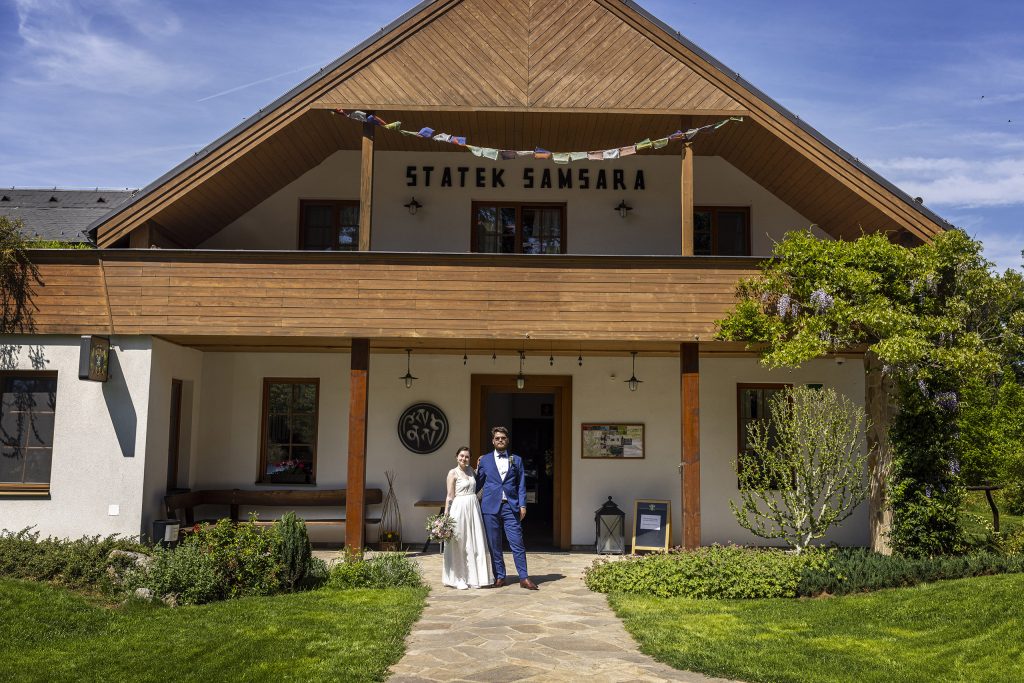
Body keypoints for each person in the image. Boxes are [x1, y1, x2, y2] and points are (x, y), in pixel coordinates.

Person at [476, 426, 538, 590]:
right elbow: (477, 483)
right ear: (493, 441)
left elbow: (521, 484)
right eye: (497, 438)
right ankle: (500, 576)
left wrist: (523, 504)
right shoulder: (485, 460)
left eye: (503, 438)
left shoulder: (516, 460)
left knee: (517, 542)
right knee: (494, 544)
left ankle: (524, 578)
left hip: (511, 507)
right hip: (490, 507)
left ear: (507, 440)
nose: (500, 440)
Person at [441, 446, 493, 589]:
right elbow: (449, 496)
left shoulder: (472, 471)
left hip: (473, 509)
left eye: (467, 456)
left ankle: (474, 577)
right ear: (457, 457)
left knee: (474, 540)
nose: (464, 459)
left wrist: (481, 463)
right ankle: (459, 578)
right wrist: (446, 515)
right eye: (462, 456)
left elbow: (479, 480)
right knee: (460, 542)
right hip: (459, 509)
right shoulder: (452, 473)